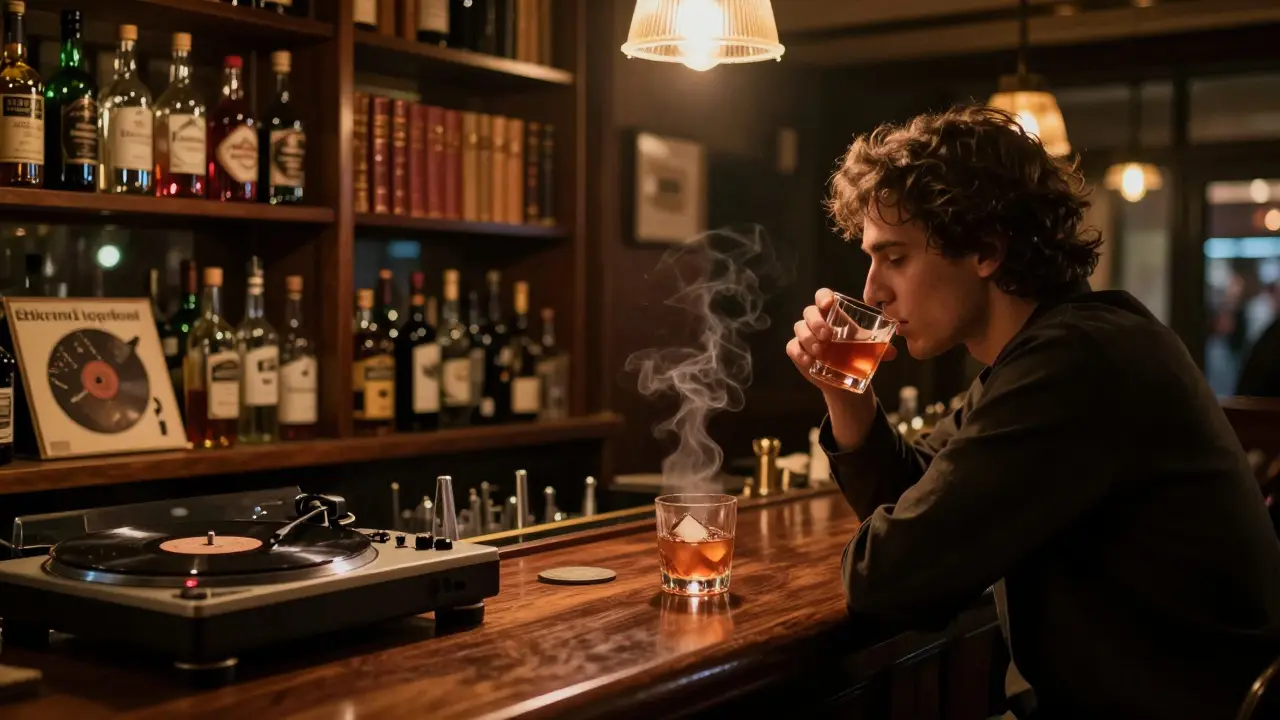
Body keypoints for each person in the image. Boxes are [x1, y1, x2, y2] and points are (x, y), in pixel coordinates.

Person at [787, 105, 1280, 720]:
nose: (870, 292)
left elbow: (888, 581)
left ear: (987, 250)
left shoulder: (1076, 364)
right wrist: (847, 395)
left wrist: (901, 545)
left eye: (896, 257)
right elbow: (923, 501)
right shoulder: (1054, 349)